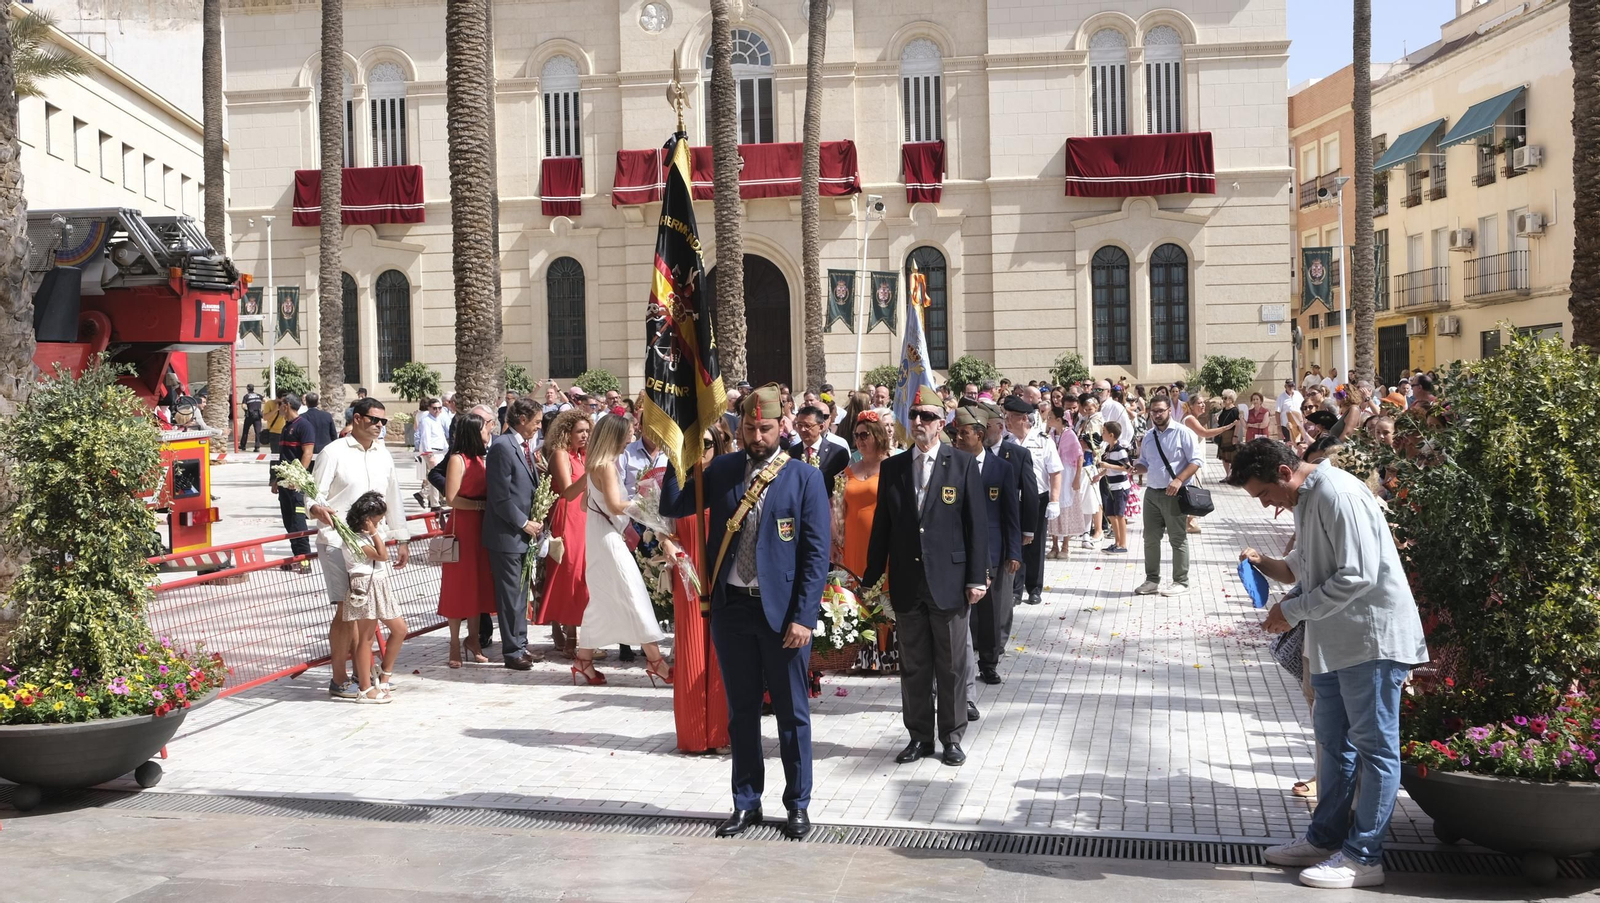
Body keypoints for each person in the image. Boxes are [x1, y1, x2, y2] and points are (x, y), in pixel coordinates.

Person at [1231, 440, 1429, 889]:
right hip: (1336, 643)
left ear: (1284, 472)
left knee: (1374, 747)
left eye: (1264, 493)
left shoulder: (1338, 493)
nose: (1266, 504)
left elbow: (1358, 573)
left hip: (1372, 640)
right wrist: (1265, 565)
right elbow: (1305, 566)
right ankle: (1325, 840)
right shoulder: (1307, 498)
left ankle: (1364, 857)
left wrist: (1292, 612)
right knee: (1332, 744)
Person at [658, 384, 831, 841]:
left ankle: (797, 803)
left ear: (782, 427)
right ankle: (746, 801)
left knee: (793, 714)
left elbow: (816, 555)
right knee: (741, 713)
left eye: (766, 428)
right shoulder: (727, 468)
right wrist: (680, 453)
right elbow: (673, 504)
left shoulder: (804, 478)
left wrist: (804, 617)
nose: (757, 435)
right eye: (750, 427)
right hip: (732, 608)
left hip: (782, 617)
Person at [864, 385, 987, 768]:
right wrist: (870, 577)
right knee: (914, 665)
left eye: (929, 417)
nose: (920, 422)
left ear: (942, 423)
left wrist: (976, 578)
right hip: (906, 581)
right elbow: (881, 527)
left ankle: (951, 737)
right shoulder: (894, 467)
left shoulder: (962, 464)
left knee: (951, 665)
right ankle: (919, 736)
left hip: (949, 583)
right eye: (915, 416)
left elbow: (976, 527)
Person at [310, 397, 410, 699]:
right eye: (374, 419)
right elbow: (314, 494)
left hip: (370, 548)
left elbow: (393, 497)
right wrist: (316, 509)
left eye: (383, 421)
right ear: (357, 418)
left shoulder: (384, 454)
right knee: (345, 613)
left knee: (365, 615)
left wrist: (401, 537)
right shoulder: (333, 452)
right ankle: (340, 678)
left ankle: (363, 675)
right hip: (337, 543)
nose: (379, 425)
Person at [570, 414, 673, 687]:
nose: (632, 435)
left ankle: (583, 662)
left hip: (600, 537)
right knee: (633, 593)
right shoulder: (605, 465)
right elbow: (616, 506)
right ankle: (656, 662)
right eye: (628, 432)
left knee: (603, 599)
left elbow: (583, 504)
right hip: (609, 540)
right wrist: (644, 501)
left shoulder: (598, 464)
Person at [951, 406, 1020, 689]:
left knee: (990, 611)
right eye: (955, 433)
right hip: (957, 550)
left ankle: (989, 663)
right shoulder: (950, 464)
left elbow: (1010, 514)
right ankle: (959, 661)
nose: (957, 439)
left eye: (963, 433)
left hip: (992, 550)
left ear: (979, 435)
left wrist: (1014, 551)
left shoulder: (1001, 468)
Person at [483, 398, 545, 670]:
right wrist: (524, 523)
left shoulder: (524, 447)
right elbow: (500, 497)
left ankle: (521, 644)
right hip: (507, 535)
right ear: (522, 419)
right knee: (510, 597)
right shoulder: (502, 447)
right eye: (537, 421)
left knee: (521, 595)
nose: (539, 427)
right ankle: (511, 651)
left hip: (522, 535)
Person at [835, 410, 896, 671]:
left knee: (883, 594)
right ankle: (859, 655)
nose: (860, 440)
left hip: (884, 543)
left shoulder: (893, 466)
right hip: (853, 544)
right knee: (857, 595)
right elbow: (838, 509)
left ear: (878, 436)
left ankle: (886, 655)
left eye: (865, 435)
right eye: (856, 435)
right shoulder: (848, 470)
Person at [438, 412, 496, 668]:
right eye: (485, 428)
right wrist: (479, 506)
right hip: (463, 527)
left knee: (477, 585)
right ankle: (454, 642)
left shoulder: (482, 459)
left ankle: (473, 639)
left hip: (481, 528)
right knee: (458, 586)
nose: (489, 432)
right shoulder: (457, 460)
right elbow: (452, 498)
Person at [1131, 398, 1203, 597]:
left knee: (1177, 538)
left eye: (1161, 411)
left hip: (1174, 493)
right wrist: (1135, 467)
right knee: (1150, 538)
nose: (1157, 415)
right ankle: (1152, 580)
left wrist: (1179, 480)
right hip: (1152, 493)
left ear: (1169, 411)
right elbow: (1145, 462)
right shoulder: (1148, 436)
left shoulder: (1183, 432)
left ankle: (1181, 581)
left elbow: (1197, 460)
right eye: (1153, 411)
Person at [535, 411, 592, 659]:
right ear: (567, 432)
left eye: (587, 431)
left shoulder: (583, 455)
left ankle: (576, 632)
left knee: (583, 575)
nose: (585, 435)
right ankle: (569, 634)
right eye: (580, 431)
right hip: (566, 516)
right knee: (569, 573)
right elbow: (568, 491)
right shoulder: (561, 454)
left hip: (584, 517)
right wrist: (593, 473)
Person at [337, 491, 401, 703]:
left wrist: (375, 532)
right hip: (364, 586)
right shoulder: (353, 538)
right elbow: (382, 555)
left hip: (380, 583)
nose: (380, 523)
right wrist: (374, 532)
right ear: (366, 519)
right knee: (366, 638)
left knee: (400, 629)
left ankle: (384, 673)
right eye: (377, 520)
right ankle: (365, 688)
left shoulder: (364, 535)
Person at [1002, 395, 1060, 606]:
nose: (1006, 420)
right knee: (1014, 544)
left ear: (1023, 418)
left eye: (1011, 417)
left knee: (1035, 545)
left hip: (1037, 499)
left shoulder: (1043, 440)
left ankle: (1034, 588)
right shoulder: (1006, 442)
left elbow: (1055, 472)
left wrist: (1054, 501)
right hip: (1012, 500)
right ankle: (1015, 590)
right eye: (1006, 416)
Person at [269, 393, 314, 572]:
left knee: (298, 521)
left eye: (280, 405)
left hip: (296, 485)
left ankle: (305, 561)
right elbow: (283, 458)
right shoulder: (286, 427)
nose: (278, 408)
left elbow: (308, 453)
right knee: (289, 522)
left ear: (286, 405)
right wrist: (277, 480)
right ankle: (296, 557)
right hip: (284, 484)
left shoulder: (304, 426)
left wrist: (297, 478)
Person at [1180, 395, 1231, 535]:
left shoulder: (1192, 418)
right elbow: (1204, 433)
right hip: (1191, 461)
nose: (1202, 405)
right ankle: (1189, 521)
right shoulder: (1189, 419)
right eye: (1199, 403)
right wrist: (1224, 428)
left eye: (1203, 402)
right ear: (1191, 405)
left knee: (1193, 488)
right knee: (1192, 489)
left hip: (1194, 460)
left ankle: (1189, 519)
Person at [1047, 405, 1086, 559]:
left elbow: (1079, 456)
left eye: (1051, 417)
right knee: (1053, 505)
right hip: (1054, 473)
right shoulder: (1050, 434)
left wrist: (1077, 477)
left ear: (1058, 419)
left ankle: (1066, 545)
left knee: (1067, 508)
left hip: (1068, 473)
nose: (1048, 420)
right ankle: (1054, 544)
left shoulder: (1070, 435)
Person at [785, 405, 849, 496]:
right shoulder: (790, 454)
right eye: (799, 425)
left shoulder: (837, 453)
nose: (802, 430)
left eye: (807, 426)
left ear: (821, 427)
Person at [1095, 421, 1131, 553]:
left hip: (1120, 486)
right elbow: (1108, 465)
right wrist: (1099, 475)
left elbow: (1126, 468)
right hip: (1111, 485)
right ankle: (1116, 541)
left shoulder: (1120, 450)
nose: (1102, 434)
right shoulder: (1108, 449)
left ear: (1111, 434)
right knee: (1110, 514)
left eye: (1104, 432)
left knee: (1120, 515)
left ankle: (1123, 544)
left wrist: (1107, 466)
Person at [414, 398, 448, 510]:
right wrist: (429, 454)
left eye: (439, 408)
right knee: (436, 476)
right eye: (434, 408)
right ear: (429, 408)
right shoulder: (426, 420)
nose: (437, 410)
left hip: (440, 451)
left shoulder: (437, 420)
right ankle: (434, 503)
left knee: (438, 476)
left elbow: (441, 437)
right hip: (432, 451)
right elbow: (425, 438)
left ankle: (424, 495)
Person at [300, 391, 339, 457]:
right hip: (326, 451)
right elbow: (333, 435)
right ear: (318, 402)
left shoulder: (302, 417)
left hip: (308, 452)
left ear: (306, 402)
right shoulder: (327, 416)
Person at [239, 384, 264, 451]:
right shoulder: (258, 395)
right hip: (258, 416)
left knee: (245, 431)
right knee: (258, 432)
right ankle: (257, 447)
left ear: (247, 389)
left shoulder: (246, 396)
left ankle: (243, 445)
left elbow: (243, 406)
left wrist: (246, 410)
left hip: (250, 416)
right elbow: (266, 401)